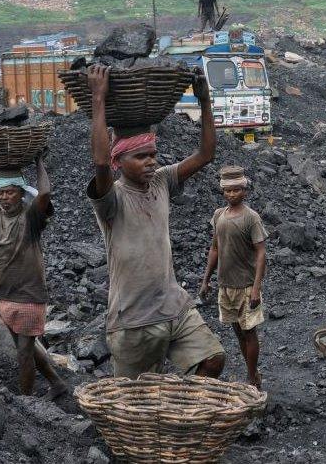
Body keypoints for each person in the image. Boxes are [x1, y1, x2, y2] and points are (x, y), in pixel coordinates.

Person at [86, 64, 225, 380]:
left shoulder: (162, 181)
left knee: (213, 360)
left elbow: (205, 154)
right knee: (133, 398)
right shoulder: (112, 199)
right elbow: (98, 161)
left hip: (174, 306)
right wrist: (98, 99)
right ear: (118, 161)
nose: (151, 161)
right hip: (134, 319)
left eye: (153, 154)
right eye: (140, 157)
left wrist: (205, 102)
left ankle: (177, 415)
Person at [0, 153, 68, 399]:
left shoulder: (31, 217)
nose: (5, 197)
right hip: (4, 295)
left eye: (10, 192)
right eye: (0, 193)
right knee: (24, 347)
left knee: (24, 352)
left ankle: (26, 402)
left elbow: (45, 195)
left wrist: (39, 162)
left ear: (20, 192)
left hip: (29, 296)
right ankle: (57, 383)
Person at [200, 166, 268, 388]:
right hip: (226, 285)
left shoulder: (251, 218)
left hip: (246, 285)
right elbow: (215, 248)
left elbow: (261, 253)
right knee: (238, 331)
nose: (231, 194)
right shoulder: (219, 215)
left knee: (249, 332)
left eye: (236, 190)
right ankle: (252, 373)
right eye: (227, 191)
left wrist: (256, 288)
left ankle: (252, 378)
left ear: (244, 191)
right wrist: (206, 279)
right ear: (222, 191)